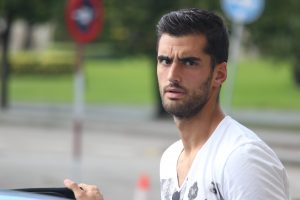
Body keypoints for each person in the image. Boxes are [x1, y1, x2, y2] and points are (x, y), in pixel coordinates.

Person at [64, 8, 290, 200]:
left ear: (219, 74)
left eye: (189, 62)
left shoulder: (242, 159)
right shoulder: (172, 158)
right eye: (165, 60)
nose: (172, 75)